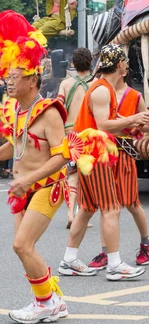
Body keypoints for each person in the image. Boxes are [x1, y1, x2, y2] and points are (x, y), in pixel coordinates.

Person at [58, 44, 149, 281]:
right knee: (111, 208)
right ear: (120, 65)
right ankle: (114, 264)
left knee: (88, 208)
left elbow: (110, 121)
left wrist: (133, 122)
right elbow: (102, 125)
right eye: (126, 62)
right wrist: (133, 118)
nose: (127, 66)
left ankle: (69, 260)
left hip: (90, 153)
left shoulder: (102, 88)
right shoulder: (101, 90)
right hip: (96, 152)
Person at [0, 10, 70, 324]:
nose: (8, 82)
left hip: (45, 187)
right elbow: (16, 147)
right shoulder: (14, 110)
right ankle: (48, 300)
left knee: (21, 244)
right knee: (22, 248)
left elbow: (62, 156)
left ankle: (46, 302)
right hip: (22, 190)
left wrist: (28, 177)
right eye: (6, 77)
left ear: (32, 79)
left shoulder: (49, 112)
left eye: (14, 77)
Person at [88, 73, 149, 271]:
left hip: (124, 152)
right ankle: (106, 251)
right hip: (103, 152)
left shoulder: (134, 96)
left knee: (131, 202)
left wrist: (130, 121)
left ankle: (146, 242)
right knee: (105, 204)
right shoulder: (101, 91)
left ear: (122, 70)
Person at [57, 48, 94, 228]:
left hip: (70, 133)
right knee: (86, 175)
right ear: (91, 63)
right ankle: (81, 214)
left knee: (71, 174)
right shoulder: (96, 84)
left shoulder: (65, 84)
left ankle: (71, 213)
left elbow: (58, 109)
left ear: (73, 63)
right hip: (89, 134)